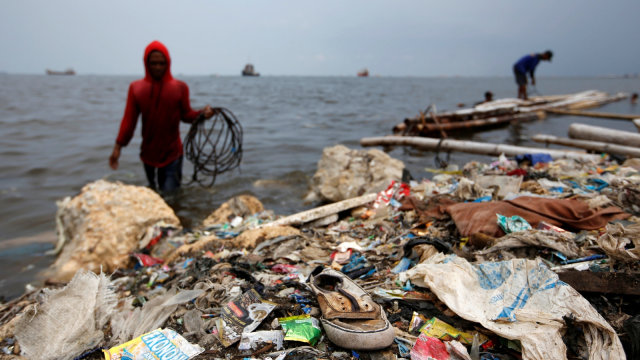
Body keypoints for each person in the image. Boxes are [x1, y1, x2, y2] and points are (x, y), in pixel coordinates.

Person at [109, 40, 215, 193]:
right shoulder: (136, 89)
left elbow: (186, 115)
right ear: (146, 64)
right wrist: (118, 147)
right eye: (153, 63)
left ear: (168, 63)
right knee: (153, 195)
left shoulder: (180, 88)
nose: (158, 67)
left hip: (173, 154)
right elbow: (129, 121)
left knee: (171, 197)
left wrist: (203, 114)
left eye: (161, 63)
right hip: (147, 155)